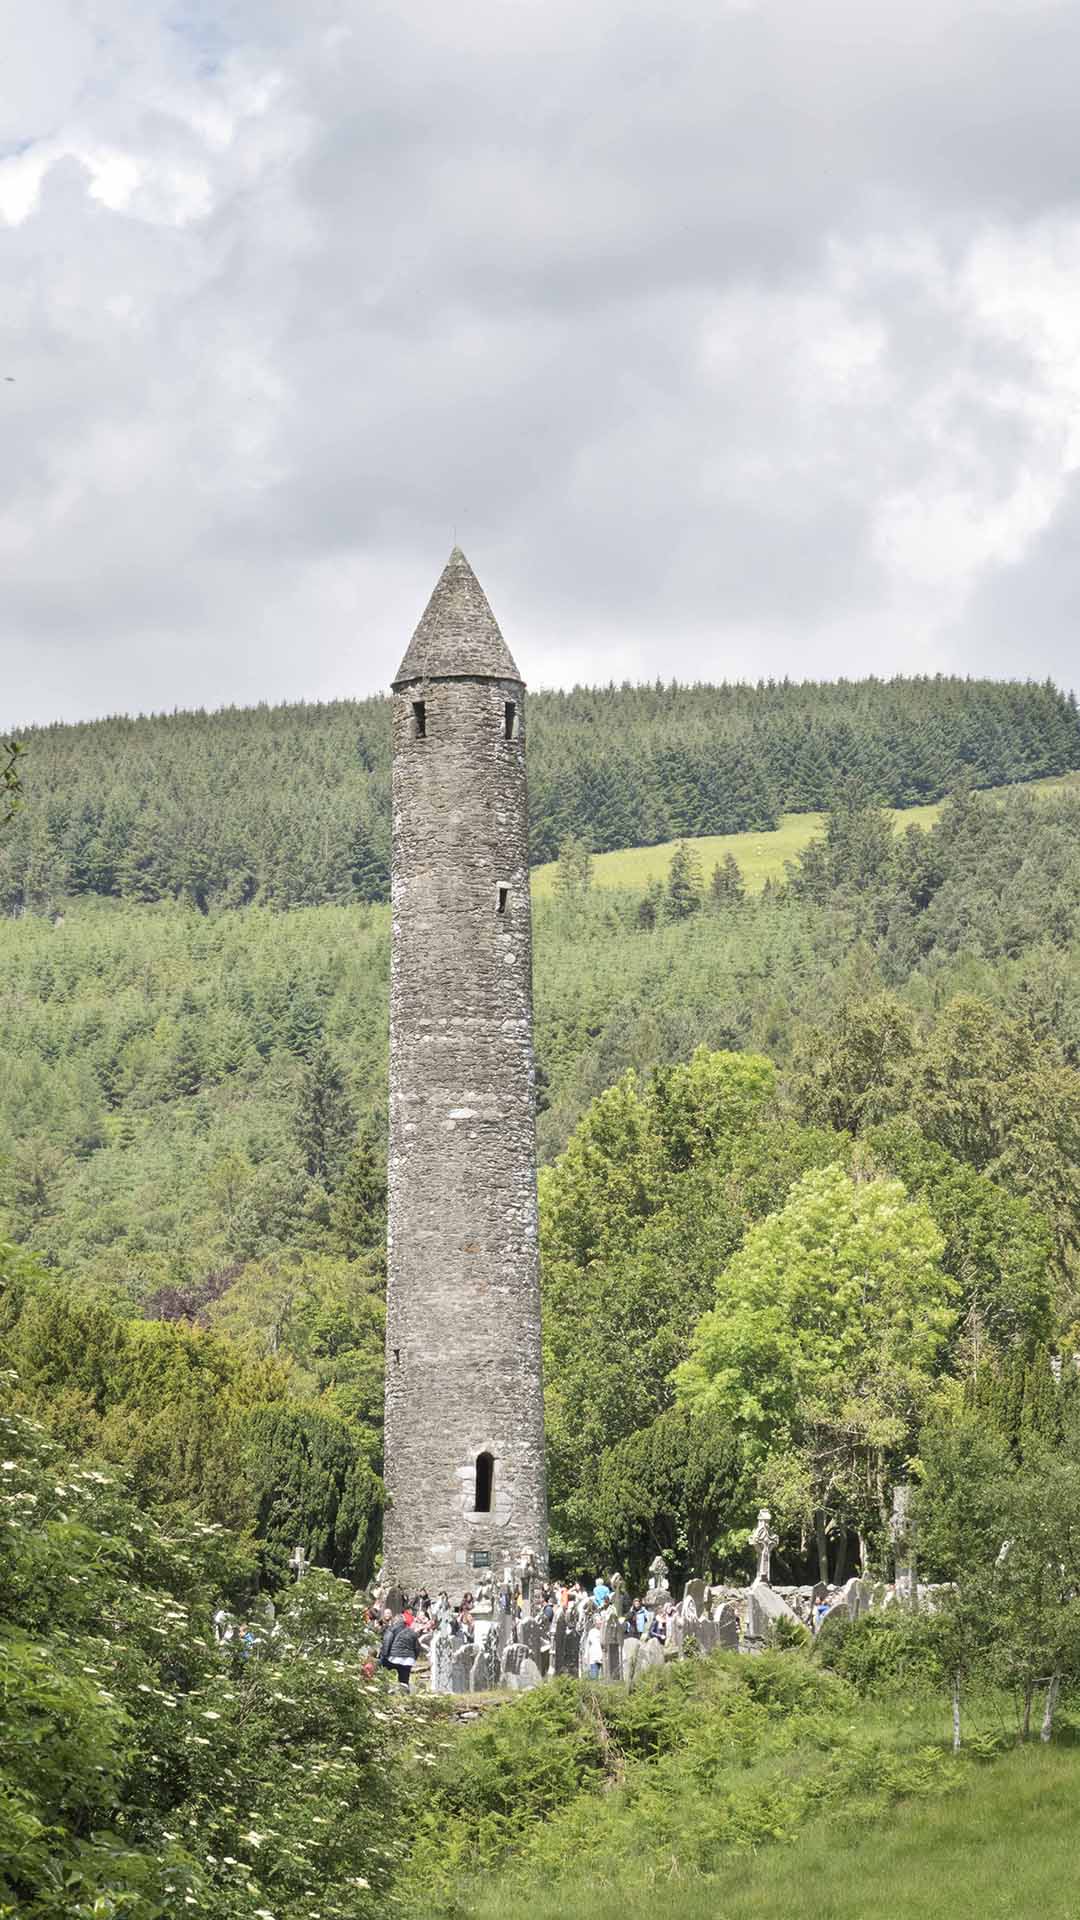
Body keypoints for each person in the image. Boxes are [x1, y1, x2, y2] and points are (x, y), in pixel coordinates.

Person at [383, 1613, 420, 1688]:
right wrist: (413, 1658)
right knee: (404, 1680)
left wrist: (384, 1655)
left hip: (393, 1658)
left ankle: (385, 1687)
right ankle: (404, 1692)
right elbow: (417, 1648)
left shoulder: (391, 1629)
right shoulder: (412, 1632)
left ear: (395, 1621)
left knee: (383, 1671)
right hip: (408, 1660)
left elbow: (387, 1642)